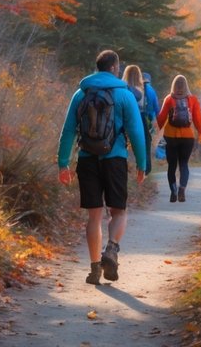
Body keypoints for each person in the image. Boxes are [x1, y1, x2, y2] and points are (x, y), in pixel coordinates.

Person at [57, 50, 148, 285]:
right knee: (118, 211)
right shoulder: (124, 95)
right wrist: (142, 163)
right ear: (115, 68)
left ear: (97, 67)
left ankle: (95, 268)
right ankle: (112, 249)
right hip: (115, 158)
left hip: (87, 159)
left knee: (94, 216)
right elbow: (136, 132)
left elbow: (68, 130)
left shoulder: (81, 93)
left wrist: (63, 163)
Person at [156, 74, 201, 202]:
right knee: (184, 164)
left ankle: (173, 191)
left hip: (170, 137)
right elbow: (198, 119)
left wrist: (154, 131)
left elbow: (161, 118)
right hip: (187, 137)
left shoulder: (169, 99)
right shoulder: (192, 99)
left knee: (171, 166)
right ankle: (182, 189)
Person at [142, 72, 161, 174]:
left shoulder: (137, 89)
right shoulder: (152, 91)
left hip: (138, 119)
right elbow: (157, 109)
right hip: (149, 120)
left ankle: (141, 167)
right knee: (147, 143)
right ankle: (147, 168)